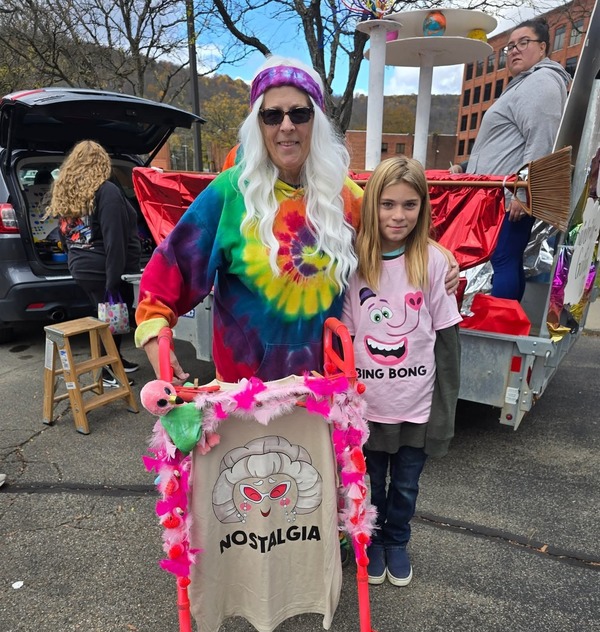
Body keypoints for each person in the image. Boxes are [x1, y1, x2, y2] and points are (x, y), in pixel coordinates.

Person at [135, 54, 461, 384]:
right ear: (258, 125)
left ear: (315, 122)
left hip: (322, 389)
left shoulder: (342, 194)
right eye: (272, 115)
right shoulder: (230, 194)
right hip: (245, 392)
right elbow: (171, 268)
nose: (286, 126)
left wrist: (438, 252)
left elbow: (393, 234)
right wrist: (153, 331)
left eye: (299, 114)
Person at [341, 157, 462, 587]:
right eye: (387, 204)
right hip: (370, 409)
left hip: (416, 407)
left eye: (409, 205)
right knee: (373, 484)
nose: (398, 215)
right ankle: (372, 541)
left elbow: (447, 343)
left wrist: (444, 412)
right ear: (371, 204)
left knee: (406, 487)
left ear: (422, 208)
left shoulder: (430, 262)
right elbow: (346, 343)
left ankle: (397, 540)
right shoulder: (354, 264)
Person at [450, 18, 570, 300]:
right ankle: (508, 324)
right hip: (499, 194)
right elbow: (505, 145)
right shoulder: (523, 84)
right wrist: (465, 168)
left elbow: (542, 140)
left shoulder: (541, 82)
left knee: (503, 258)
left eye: (523, 43)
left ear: (542, 48)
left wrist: (524, 193)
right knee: (505, 259)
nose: (514, 50)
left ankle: (503, 333)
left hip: (509, 197)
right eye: (510, 47)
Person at [47, 140, 140, 386]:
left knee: (105, 317)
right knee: (110, 318)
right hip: (105, 269)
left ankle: (115, 359)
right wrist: (113, 280)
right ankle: (107, 372)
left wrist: (74, 259)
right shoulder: (106, 191)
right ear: (101, 163)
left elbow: (64, 233)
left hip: (83, 265)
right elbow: (114, 239)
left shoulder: (69, 192)